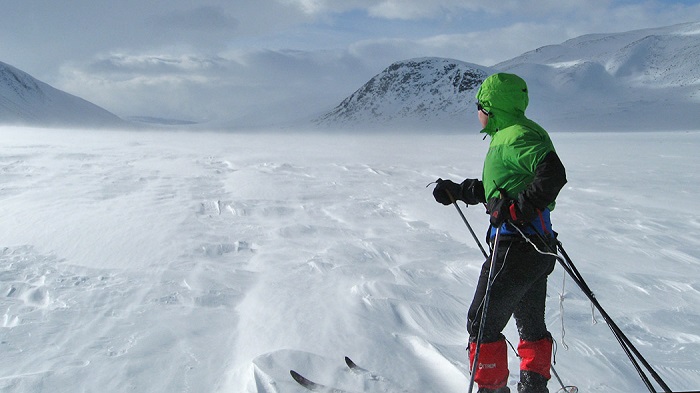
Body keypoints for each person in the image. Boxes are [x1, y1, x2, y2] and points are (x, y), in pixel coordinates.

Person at [432, 73, 567, 393]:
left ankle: (492, 390)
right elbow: (502, 189)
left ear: (490, 108)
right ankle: (535, 388)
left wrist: (517, 210)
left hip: (517, 247)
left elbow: (553, 174)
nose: (476, 112)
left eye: (479, 106)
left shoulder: (515, 136)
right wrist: (460, 191)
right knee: (531, 326)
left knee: (481, 325)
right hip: (537, 249)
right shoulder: (515, 133)